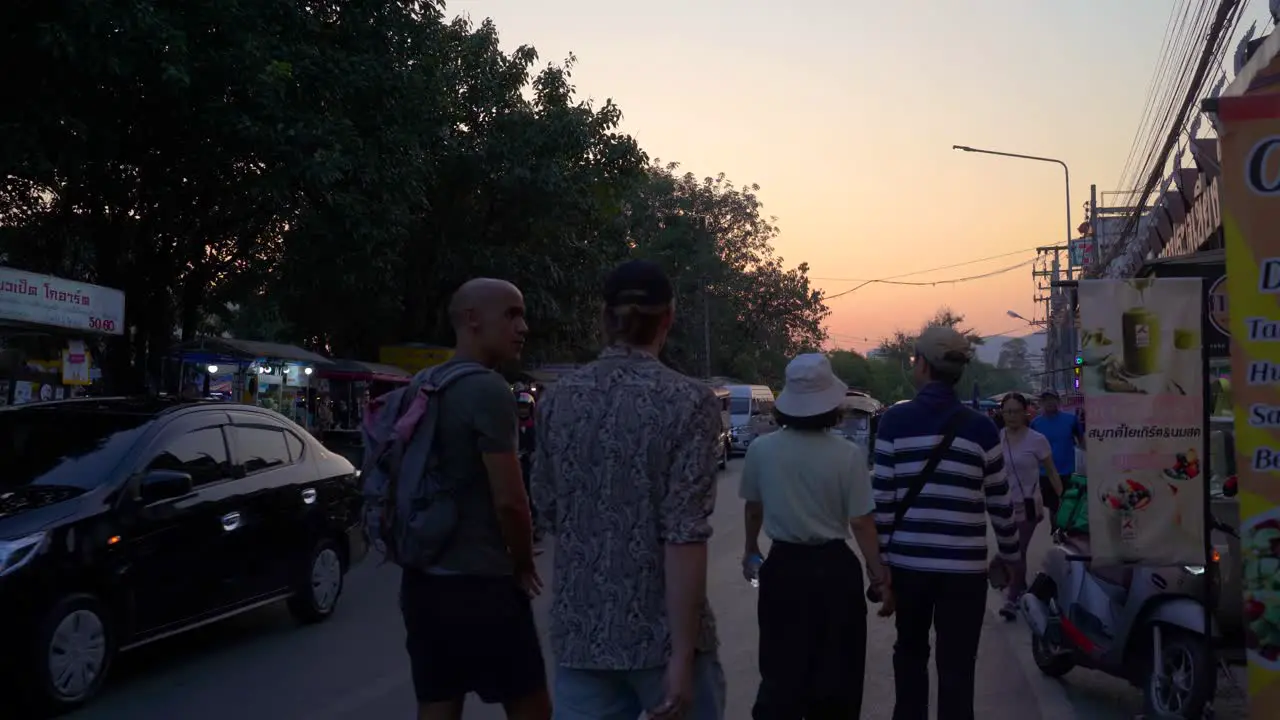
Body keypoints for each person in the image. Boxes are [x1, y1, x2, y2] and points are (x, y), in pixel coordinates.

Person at [531, 259, 725, 720]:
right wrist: (681, 657)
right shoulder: (690, 401)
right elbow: (684, 535)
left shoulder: (558, 400)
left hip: (583, 636)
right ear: (669, 318)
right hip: (661, 638)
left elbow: (548, 507)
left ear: (603, 318)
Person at [399, 278, 549, 720]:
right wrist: (522, 562)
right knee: (531, 706)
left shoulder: (423, 384)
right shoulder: (488, 390)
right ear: (471, 319)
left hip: (424, 582)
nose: (522, 326)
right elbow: (510, 500)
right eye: (511, 314)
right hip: (482, 583)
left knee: (439, 702)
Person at [872, 325, 1020, 720]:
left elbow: (882, 504)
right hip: (965, 574)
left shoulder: (893, 423)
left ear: (922, 366)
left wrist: (881, 567)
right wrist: (1008, 556)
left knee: (910, 655)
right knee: (957, 668)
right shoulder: (982, 428)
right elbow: (1000, 504)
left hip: (909, 569)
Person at [740, 352, 887, 719]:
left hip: (783, 568)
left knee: (780, 670)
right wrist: (879, 575)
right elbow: (862, 523)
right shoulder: (848, 455)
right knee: (838, 675)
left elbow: (754, 508)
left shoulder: (761, 450)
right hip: (835, 571)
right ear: (832, 404)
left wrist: (750, 550)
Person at [995, 392, 1062, 621]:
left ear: (1026, 412)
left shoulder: (1037, 440)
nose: (1011, 416)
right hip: (1003, 505)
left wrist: (1062, 499)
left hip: (1030, 504)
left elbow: (1052, 472)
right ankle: (1022, 588)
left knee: (1017, 550)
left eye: (1015, 411)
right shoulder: (999, 437)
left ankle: (1011, 599)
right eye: (1007, 411)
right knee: (1012, 551)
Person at [1030, 390, 1081, 531]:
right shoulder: (1035, 423)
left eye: (1052, 399)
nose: (1050, 402)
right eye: (1046, 400)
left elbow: (1082, 442)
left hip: (1068, 471)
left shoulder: (1071, 420)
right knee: (1052, 506)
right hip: (1044, 473)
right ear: (1041, 403)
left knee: (1069, 504)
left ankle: (1067, 531)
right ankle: (1056, 532)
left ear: (1058, 402)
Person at [515, 391, 543, 546]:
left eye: (525, 408)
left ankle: (537, 526)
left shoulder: (534, 426)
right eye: (520, 408)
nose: (522, 411)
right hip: (515, 464)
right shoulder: (511, 426)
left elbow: (538, 445)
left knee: (532, 496)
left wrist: (531, 454)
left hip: (529, 465)